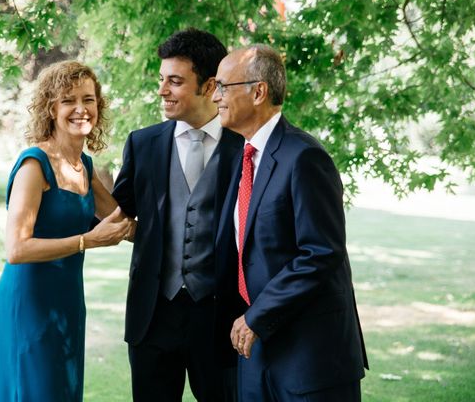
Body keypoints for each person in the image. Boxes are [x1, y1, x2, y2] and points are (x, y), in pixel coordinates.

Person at [212, 44, 368, 401]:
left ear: (258, 91)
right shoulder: (244, 157)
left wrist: (257, 317)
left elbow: (320, 252)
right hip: (256, 352)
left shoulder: (305, 157)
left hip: (311, 358)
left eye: (223, 86)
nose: (215, 96)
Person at [112, 28, 244, 401]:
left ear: (208, 86)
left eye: (174, 81)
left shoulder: (243, 148)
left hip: (220, 318)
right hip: (153, 316)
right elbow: (118, 214)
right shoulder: (143, 143)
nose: (162, 90)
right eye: (161, 80)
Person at [0, 61, 132, 402]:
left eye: (89, 99)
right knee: (34, 392)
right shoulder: (33, 165)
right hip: (30, 301)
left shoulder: (83, 165)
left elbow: (120, 220)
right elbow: (16, 249)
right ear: (51, 108)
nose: (81, 109)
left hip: (68, 301)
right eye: (69, 100)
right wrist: (87, 240)